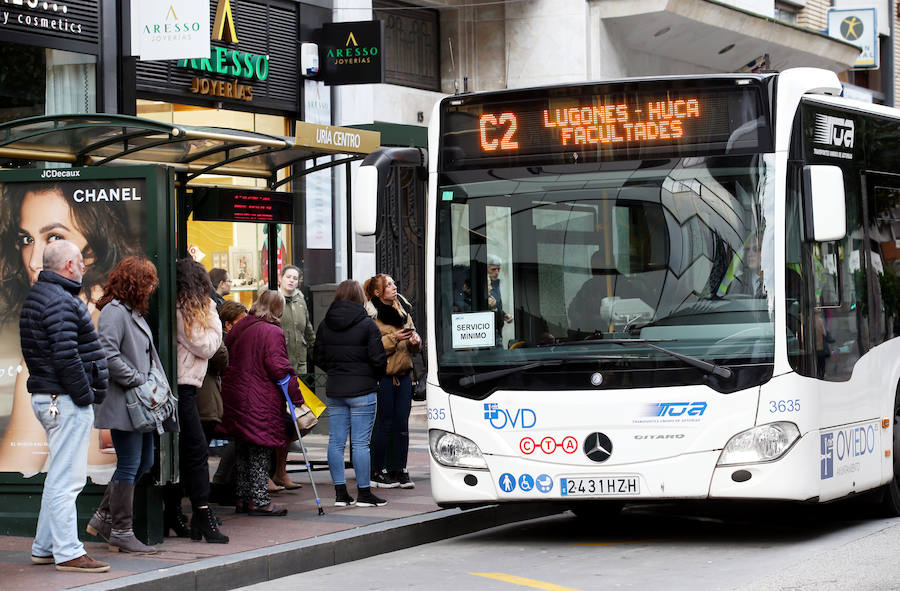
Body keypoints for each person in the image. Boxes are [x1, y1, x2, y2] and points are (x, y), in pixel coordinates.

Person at [0, 181, 136, 472]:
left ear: (95, 246)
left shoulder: (68, 313)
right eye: (26, 239)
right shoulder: (114, 307)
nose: (36, 260)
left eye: (54, 237)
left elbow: (15, 467)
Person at [19, 239, 110, 572]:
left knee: (58, 475)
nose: (84, 268)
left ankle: (44, 547)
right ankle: (69, 552)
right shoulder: (59, 300)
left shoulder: (45, 296)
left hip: (55, 396)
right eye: (80, 263)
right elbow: (65, 355)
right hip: (65, 398)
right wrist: (85, 395)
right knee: (67, 479)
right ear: (69, 265)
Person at [90, 256, 172, 554]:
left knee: (145, 462)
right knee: (129, 463)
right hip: (125, 401)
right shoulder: (114, 312)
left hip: (138, 403)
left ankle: (103, 518)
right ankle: (121, 531)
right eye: (148, 282)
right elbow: (107, 355)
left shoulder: (129, 311)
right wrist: (138, 379)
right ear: (134, 283)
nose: (152, 288)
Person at [220, 290, 304, 516]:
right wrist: (296, 397)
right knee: (259, 449)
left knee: (243, 449)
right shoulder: (272, 331)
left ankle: (243, 497)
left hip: (236, 395)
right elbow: (279, 368)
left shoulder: (242, 326)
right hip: (259, 398)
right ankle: (259, 499)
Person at [165, 259, 229, 543]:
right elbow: (206, 345)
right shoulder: (184, 310)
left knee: (186, 452)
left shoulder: (183, 308)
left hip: (184, 387)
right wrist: (214, 317)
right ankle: (201, 515)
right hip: (182, 389)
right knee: (195, 451)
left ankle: (178, 513)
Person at [314, 280, 388, 507]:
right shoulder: (367, 325)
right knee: (360, 443)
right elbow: (379, 360)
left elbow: (317, 357)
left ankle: (340, 494)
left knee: (336, 443)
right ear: (360, 298)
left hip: (336, 389)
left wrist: (336, 371)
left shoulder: (326, 324)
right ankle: (364, 493)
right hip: (363, 391)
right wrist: (372, 376)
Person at [364, 274, 421, 489]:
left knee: (401, 423)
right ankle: (378, 470)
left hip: (404, 374)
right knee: (384, 423)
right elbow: (373, 347)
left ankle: (400, 469)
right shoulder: (371, 315)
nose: (394, 286)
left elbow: (415, 345)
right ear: (378, 292)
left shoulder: (402, 309)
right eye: (388, 285)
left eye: (393, 283)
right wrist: (395, 338)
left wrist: (415, 341)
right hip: (384, 376)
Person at [274, 265, 315, 489]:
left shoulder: (300, 301)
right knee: (280, 423)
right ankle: (275, 472)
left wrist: (316, 352)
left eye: (295, 278)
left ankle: (281, 470)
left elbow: (307, 330)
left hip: (297, 370)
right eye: (288, 277)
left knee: (300, 421)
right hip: (277, 370)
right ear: (280, 279)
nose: (292, 281)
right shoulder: (273, 299)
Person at [207, 301, 247, 506]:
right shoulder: (223, 341)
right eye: (241, 321)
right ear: (228, 325)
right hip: (221, 398)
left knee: (237, 439)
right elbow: (223, 362)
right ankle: (222, 481)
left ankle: (223, 481)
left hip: (225, 396)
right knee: (236, 438)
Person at [487, 255, 513, 344]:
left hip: (498, 330)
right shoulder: (483, 285)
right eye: (493, 269)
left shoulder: (495, 284)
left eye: (498, 269)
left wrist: (503, 314)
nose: (497, 272)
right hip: (487, 332)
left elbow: (495, 306)